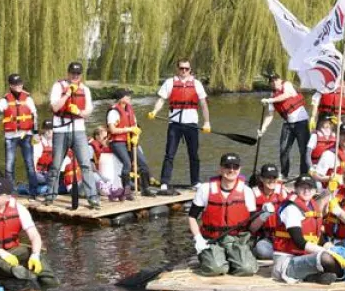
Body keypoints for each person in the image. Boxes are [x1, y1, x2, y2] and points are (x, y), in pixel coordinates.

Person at [0, 179, 58, 290]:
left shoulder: (19, 209)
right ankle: (27, 276)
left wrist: (34, 255)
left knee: (33, 253)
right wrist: (2, 253)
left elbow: (35, 236)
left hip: (12, 250)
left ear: (7, 197)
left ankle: (49, 282)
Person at [189, 153, 259, 277]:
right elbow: (192, 217)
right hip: (211, 239)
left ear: (239, 169)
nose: (231, 170)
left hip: (236, 240)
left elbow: (252, 226)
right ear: (220, 169)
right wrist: (198, 238)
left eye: (235, 167)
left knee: (247, 269)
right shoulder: (205, 189)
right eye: (227, 166)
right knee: (215, 269)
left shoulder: (247, 192)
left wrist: (264, 216)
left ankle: (230, 259)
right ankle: (214, 258)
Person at [148, 59, 211, 192]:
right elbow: (161, 100)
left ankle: (195, 182)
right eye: (181, 68)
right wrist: (154, 111)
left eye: (186, 69)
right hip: (175, 124)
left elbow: (204, 104)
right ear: (178, 69)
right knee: (169, 154)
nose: (184, 71)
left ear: (190, 70)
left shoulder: (197, 84)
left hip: (191, 124)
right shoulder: (169, 82)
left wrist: (207, 122)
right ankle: (164, 182)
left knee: (194, 154)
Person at [46, 61, 100, 208]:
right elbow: (54, 106)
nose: (75, 76)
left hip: (79, 130)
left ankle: (93, 197)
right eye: (72, 73)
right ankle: (50, 195)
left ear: (80, 75)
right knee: (56, 165)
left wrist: (79, 112)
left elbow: (88, 112)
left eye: (77, 74)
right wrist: (68, 94)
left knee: (85, 164)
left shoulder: (85, 90)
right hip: (60, 130)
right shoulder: (58, 86)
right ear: (68, 73)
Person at [272, 176, 345, 283]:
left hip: (304, 256)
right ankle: (341, 277)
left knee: (342, 250)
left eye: (310, 188)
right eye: (302, 187)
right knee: (326, 258)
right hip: (287, 261)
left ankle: (313, 277)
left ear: (315, 191)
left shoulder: (312, 206)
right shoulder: (291, 208)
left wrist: (333, 249)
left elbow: (318, 238)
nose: (306, 191)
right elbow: (299, 242)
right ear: (296, 189)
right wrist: (327, 252)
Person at [0, 73, 38, 185]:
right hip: (10, 137)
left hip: (26, 135)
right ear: (10, 85)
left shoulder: (28, 99)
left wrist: (35, 133)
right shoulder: (5, 100)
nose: (18, 86)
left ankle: (33, 190)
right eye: (15, 84)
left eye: (20, 84)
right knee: (9, 166)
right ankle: (10, 190)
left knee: (30, 164)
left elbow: (35, 115)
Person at [257, 73, 310, 177]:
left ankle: (303, 175)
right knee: (283, 150)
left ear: (280, 79)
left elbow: (286, 95)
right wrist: (263, 128)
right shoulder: (273, 96)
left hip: (301, 122)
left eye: (276, 79)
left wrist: (269, 100)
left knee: (303, 150)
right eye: (272, 81)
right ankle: (284, 174)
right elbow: (270, 115)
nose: (275, 82)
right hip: (287, 125)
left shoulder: (287, 85)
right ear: (270, 84)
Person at [107, 89, 153, 197]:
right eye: (127, 96)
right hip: (117, 142)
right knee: (127, 163)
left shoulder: (130, 110)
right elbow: (113, 130)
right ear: (121, 98)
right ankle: (127, 192)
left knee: (143, 163)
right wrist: (129, 129)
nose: (130, 98)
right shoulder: (113, 112)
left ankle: (145, 188)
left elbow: (135, 127)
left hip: (131, 141)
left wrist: (136, 135)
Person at [250, 164, 288, 259]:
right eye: (268, 177)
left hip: (281, 236)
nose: (271, 180)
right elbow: (252, 229)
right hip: (264, 237)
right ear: (261, 179)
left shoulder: (283, 193)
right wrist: (264, 215)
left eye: (274, 177)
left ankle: (282, 253)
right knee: (262, 251)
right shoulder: (252, 194)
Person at [312, 124, 345, 189]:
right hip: (334, 191)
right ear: (337, 136)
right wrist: (330, 178)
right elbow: (316, 176)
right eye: (343, 135)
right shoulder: (328, 154)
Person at [89, 126, 124, 199]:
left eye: (107, 137)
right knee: (95, 175)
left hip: (102, 174)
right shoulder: (91, 147)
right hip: (93, 174)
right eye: (104, 138)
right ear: (97, 136)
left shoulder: (104, 147)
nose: (107, 139)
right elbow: (87, 164)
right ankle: (108, 191)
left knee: (109, 179)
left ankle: (114, 189)